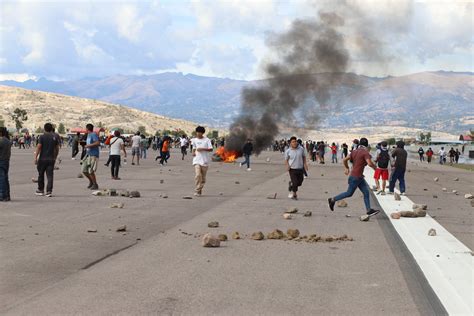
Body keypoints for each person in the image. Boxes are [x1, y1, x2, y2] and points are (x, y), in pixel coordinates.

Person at [328, 137, 379, 218]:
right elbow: (369, 163)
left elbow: (345, 160)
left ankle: (369, 210)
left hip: (358, 177)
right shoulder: (365, 153)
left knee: (366, 192)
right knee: (349, 193)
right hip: (356, 177)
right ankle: (333, 199)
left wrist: (347, 168)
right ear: (366, 145)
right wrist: (376, 168)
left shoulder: (354, 152)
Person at [34, 123, 59, 197]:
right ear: (51, 129)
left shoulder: (42, 137)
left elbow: (39, 147)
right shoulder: (54, 137)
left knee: (41, 174)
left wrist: (35, 157)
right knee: (50, 175)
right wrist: (55, 157)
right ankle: (49, 191)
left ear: (44, 129)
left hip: (42, 159)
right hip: (51, 159)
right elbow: (57, 149)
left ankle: (40, 190)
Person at [191, 126, 213, 196]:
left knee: (203, 179)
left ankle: (199, 189)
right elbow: (194, 147)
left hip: (204, 161)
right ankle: (197, 190)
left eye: (199, 132)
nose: (198, 133)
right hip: (197, 160)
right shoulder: (194, 140)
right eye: (197, 132)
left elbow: (211, 149)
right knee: (198, 175)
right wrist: (193, 152)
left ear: (202, 133)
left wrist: (202, 149)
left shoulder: (207, 140)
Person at [82, 123, 100, 190]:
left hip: (94, 155)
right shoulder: (88, 135)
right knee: (84, 170)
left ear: (87, 128)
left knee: (91, 171)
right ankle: (91, 181)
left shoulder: (93, 134)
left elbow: (97, 143)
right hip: (88, 154)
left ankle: (95, 184)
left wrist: (88, 145)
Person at [0, 127, 11, 201]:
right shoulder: (8, 140)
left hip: (1, 160)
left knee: (2, 178)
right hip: (6, 161)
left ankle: (2, 195)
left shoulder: (1, 141)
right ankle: (7, 195)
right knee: (5, 178)